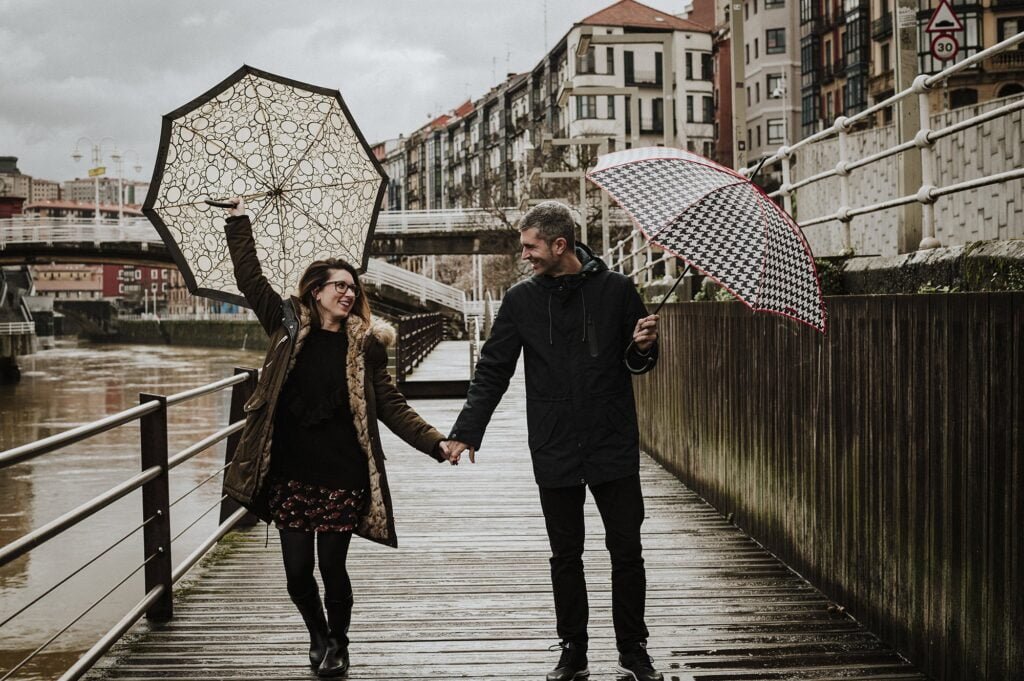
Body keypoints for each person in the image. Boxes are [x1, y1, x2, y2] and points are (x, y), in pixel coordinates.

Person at [220, 198, 456, 677]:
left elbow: (389, 404)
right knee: (296, 574)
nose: (348, 294)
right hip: (289, 472)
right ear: (316, 291)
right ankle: (317, 634)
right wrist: (238, 220)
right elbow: (250, 279)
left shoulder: (365, 346)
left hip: (342, 473)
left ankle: (340, 643)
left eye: (353, 288)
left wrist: (437, 443)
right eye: (339, 286)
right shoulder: (286, 326)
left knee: (332, 568)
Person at [446, 201, 663, 681]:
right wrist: (466, 431)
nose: (524, 255)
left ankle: (633, 649)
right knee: (566, 555)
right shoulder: (522, 301)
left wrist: (644, 347)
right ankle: (573, 651)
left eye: (530, 247)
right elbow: (494, 370)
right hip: (554, 443)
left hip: (612, 441)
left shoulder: (619, 291)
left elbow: (638, 364)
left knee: (626, 550)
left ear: (559, 244)